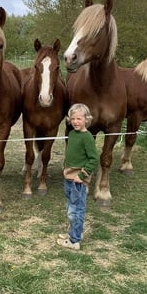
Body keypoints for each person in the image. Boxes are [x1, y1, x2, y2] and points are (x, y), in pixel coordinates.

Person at [57, 103, 99, 251]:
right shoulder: (72, 134)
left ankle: (74, 241)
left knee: (76, 210)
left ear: (86, 119)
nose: (75, 121)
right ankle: (73, 233)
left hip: (77, 181)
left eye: (79, 119)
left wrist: (82, 175)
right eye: (73, 118)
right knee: (70, 207)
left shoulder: (87, 137)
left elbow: (94, 159)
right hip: (68, 177)